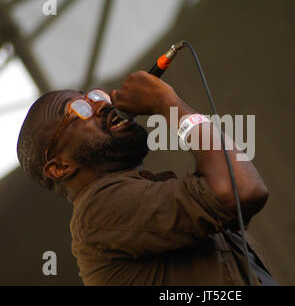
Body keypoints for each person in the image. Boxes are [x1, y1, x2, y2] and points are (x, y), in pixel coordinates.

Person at [17, 70, 277, 285]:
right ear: (59, 167)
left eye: (95, 96)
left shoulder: (143, 193)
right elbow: (240, 190)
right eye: (80, 108)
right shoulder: (97, 212)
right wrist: (167, 103)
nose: (102, 104)